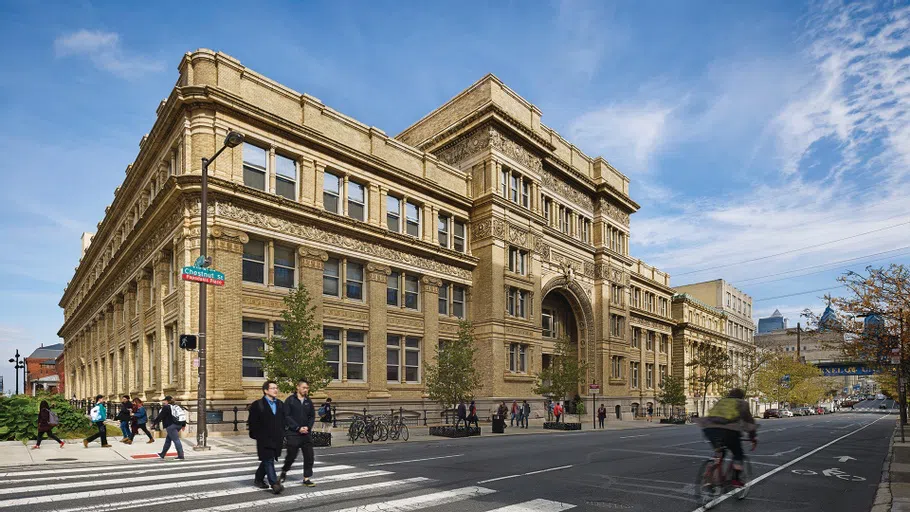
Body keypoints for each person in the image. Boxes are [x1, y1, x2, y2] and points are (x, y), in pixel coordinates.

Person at [697, 388, 758, 488]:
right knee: (738, 454)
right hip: (728, 430)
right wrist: (752, 437)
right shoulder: (742, 403)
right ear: (741, 396)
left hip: (709, 429)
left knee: (720, 452)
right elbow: (749, 422)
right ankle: (736, 479)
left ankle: (710, 476)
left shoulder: (722, 401)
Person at [248, 381, 285, 494]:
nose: (275, 390)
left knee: (268, 459)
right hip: (264, 439)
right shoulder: (257, 404)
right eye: (273, 388)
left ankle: (258, 479)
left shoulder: (280, 404)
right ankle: (274, 483)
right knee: (268, 460)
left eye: (276, 388)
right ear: (265, 390)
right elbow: (252, 422)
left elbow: (283, 420)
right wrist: (257, 435)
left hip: (277, 438)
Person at [281, 379, 316, 487]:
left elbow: (312, 416)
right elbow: (287, 416)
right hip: (293, 433)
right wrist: (297, 428)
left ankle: (306, 478)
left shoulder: (308, 401)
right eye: (304, 387)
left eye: (307, 388)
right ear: (298, 387)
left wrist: (308, 427)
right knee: (291, 456)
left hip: (306, 433)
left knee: (309, 456)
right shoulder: (290, 400)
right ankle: (284, 471)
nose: (306, 390)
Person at [151, 395, 186, 460]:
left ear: (167, 401)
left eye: (164, 400)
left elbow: (160, 416)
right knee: (168, 440)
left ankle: (181, 455)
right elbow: (182, 414)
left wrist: (154, 423)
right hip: (179, 424)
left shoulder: (166, 407)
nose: (163, 402)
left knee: (176, 440)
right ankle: (162, 454)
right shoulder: (176, 406)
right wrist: (183, 425)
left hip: (171, 425)